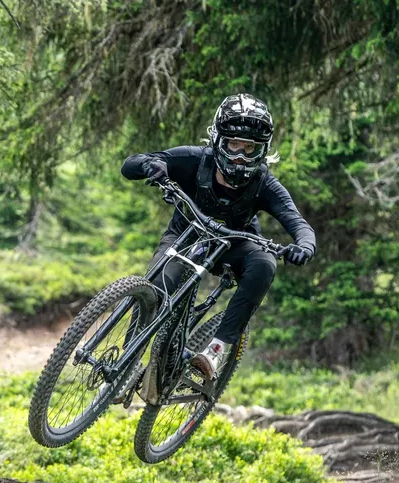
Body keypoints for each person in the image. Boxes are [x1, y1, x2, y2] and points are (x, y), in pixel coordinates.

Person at [121, 93, 316, 381]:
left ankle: (216, 349)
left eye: (249, 148)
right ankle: (127, 362)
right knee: (158, 285)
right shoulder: (195, 159)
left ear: (262, 150)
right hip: (186, 235)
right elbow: (131, 164)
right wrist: (152, 165)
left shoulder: (265, 184)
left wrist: (304, 246)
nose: (240, 155)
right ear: (218, 141)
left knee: (264, 264)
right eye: (234, 145)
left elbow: (299, 224)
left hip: (235, 244)